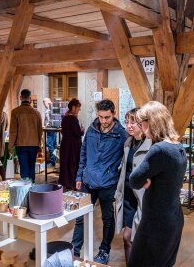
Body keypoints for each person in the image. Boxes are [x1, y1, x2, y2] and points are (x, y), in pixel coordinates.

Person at [127, 101, 187, 267]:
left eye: (140, 123)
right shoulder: (178, 147)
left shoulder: (159, 149)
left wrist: (145, 179)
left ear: (150, 122)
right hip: (174, 217)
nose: (140, 126)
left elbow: (134, 180)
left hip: (156, 221)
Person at [72, 99, 126, 264]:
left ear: (114, 114)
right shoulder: (91, 130)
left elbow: (127, 158)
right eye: (101, 117)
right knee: (80, 217)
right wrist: (79, 175)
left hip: (108, 184)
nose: (103, 121)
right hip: (88, 181)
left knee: (107, 219)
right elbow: (83, 153)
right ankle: (74, 250)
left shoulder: (121, 134)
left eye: (107, 117)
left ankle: (104, 251)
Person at [115, 108, 151, 265]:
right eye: (127, 122)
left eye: (133, 122)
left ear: (142, 123)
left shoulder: (151, 144)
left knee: (137, 239)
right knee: (127, 237)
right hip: (129, 197)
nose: (129, 126)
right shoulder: (129, 142)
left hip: (143, 198)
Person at [9, 89, 43, 182]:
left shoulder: (15, 112)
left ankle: (24, 191)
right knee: (32, 168)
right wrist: (39, 145)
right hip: (34, 145)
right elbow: (40, 131)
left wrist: (10, 146)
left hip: (21, 145)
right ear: (30, 99)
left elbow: (13, 131)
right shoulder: (37, 113)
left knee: (24, 169)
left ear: (20, 98)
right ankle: (32, 189)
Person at [59, 98, 84, 190]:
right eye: (78, 107)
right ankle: (72, 183)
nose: (79, 110)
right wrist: (82, 129)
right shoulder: (72, 118)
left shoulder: (65, 117)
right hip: (73, 146)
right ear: (73, 107)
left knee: (66, 164)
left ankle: (65, 183)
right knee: (72, 164)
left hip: (65, 144)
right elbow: (78, 133)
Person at [43, 97, 57, 167]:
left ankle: (52, 161)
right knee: (53, 145)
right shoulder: (50, 110)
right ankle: (54, 160)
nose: (44, 105)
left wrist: (46, 126)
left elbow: (50, 121)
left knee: (49, 144)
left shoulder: (50, 110)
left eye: (44, 103)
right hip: (52, 129)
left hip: (50, 129)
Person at [0, 111, 8, 180]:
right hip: (1, 141)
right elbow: (6, 128)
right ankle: (4, 179)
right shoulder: (5, 115)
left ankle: (4, 179)